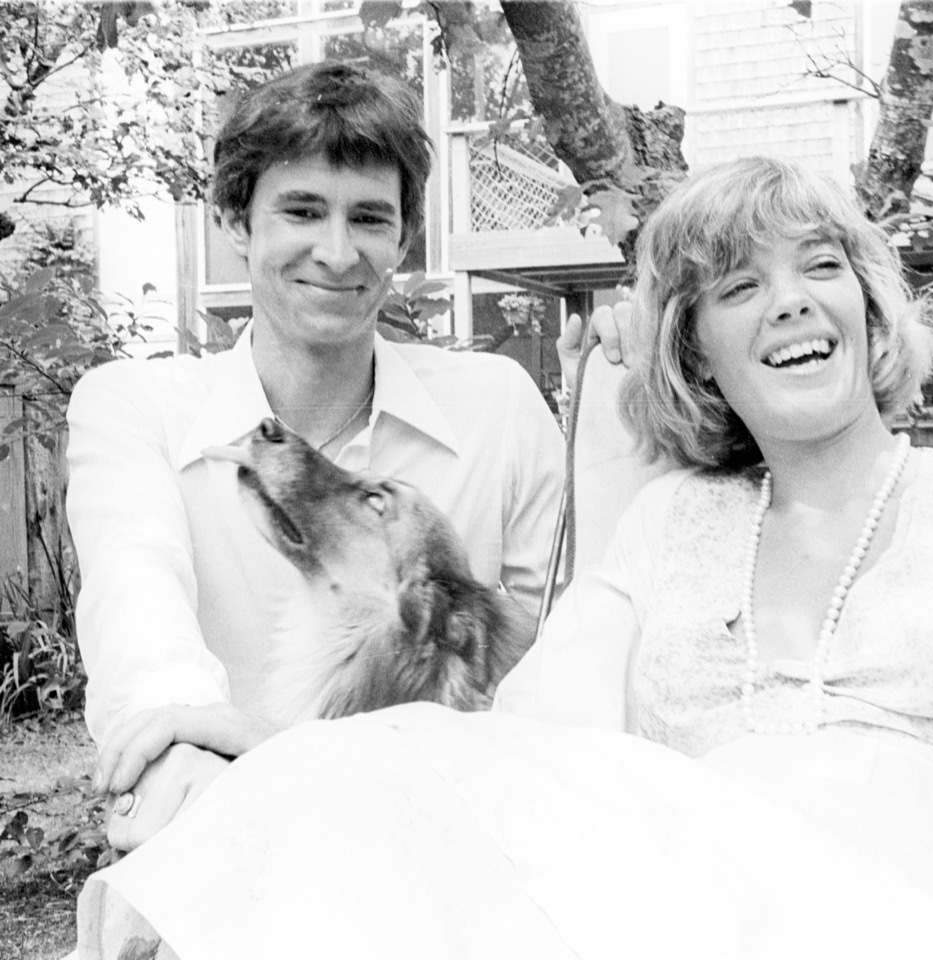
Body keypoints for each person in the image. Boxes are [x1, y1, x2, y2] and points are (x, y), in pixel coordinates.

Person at [79, 157, 933, 960]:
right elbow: (511, 751)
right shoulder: (670, 522)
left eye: (822, 266)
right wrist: (276, 757)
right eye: (741, 287)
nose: (794, 301)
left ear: (870, 303)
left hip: (918, 906)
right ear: (698, 354)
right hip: (670, 904)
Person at [65, 61, 565, 851]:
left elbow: (554, 674)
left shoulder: (497, 406)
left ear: (402, 236)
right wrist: (185, 737)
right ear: (236, 221)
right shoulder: (136, 408)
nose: (337, 253)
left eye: (368, 218)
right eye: (303, 210)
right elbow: (136, 595)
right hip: (215, 833)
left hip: (443, 850)